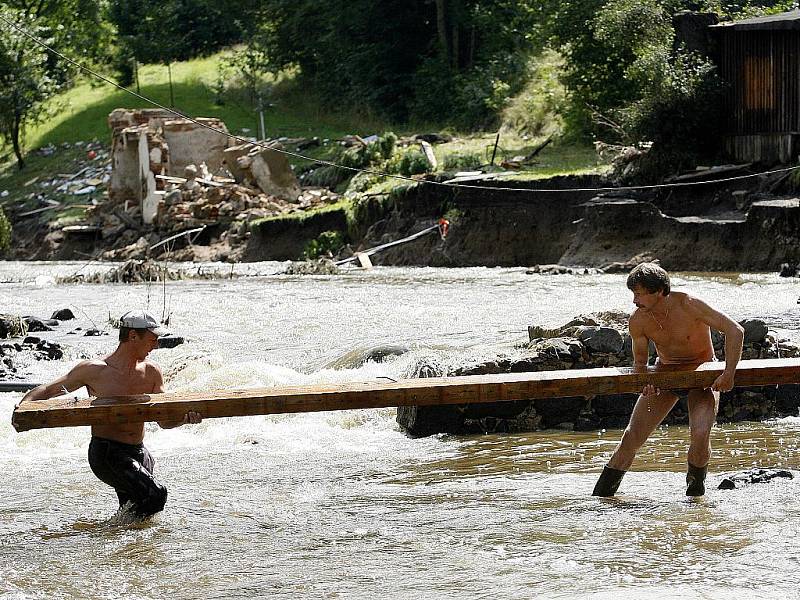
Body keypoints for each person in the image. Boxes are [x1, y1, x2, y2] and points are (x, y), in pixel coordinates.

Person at [20, 310, 201, 518]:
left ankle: (121, 546)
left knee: (136, 512)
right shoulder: (95, 371)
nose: (156, 345)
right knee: (155, 495)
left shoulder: (152, 372)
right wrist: (23, 409)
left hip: (140, 453)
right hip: (107, 453)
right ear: (133, 336)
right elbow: (48, 390)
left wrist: (185, 419)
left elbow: (164, 421)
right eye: (152, 339)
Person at [592, 263, 744, 497]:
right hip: (666, 374)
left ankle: (695, 499)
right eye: (633, 294)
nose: (634, 301)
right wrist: (645, 383)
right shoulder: (638, 320)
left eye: (640, 294)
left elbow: (735, 330)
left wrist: (728, 374)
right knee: (631, 438)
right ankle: (601, 498)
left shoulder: (689, 304)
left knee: (701, 435)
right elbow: (640, 365)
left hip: (702, 375)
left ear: (661, 291)